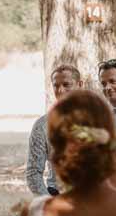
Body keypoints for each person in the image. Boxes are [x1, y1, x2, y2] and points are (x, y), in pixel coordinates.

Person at [26, 64, 80, 196]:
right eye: (56, 85)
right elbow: (33, 173)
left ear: (79, 84)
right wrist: (48, 202)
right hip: (57, 195)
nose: (60, 90)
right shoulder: (42, 126)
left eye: (66, 84)